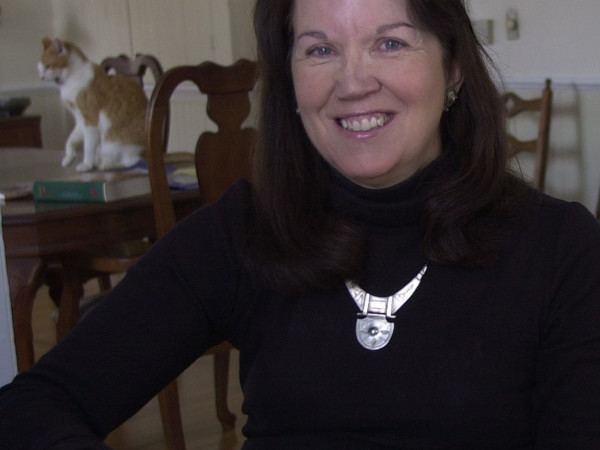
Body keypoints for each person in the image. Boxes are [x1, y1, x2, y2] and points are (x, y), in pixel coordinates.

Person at [1, 0, 600, 448]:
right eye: (319, 49)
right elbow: (36, 405)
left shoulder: (559, 249)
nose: (353, 81)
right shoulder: (245, 231)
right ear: (289, 82)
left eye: (390, 43)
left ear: (454, 71)